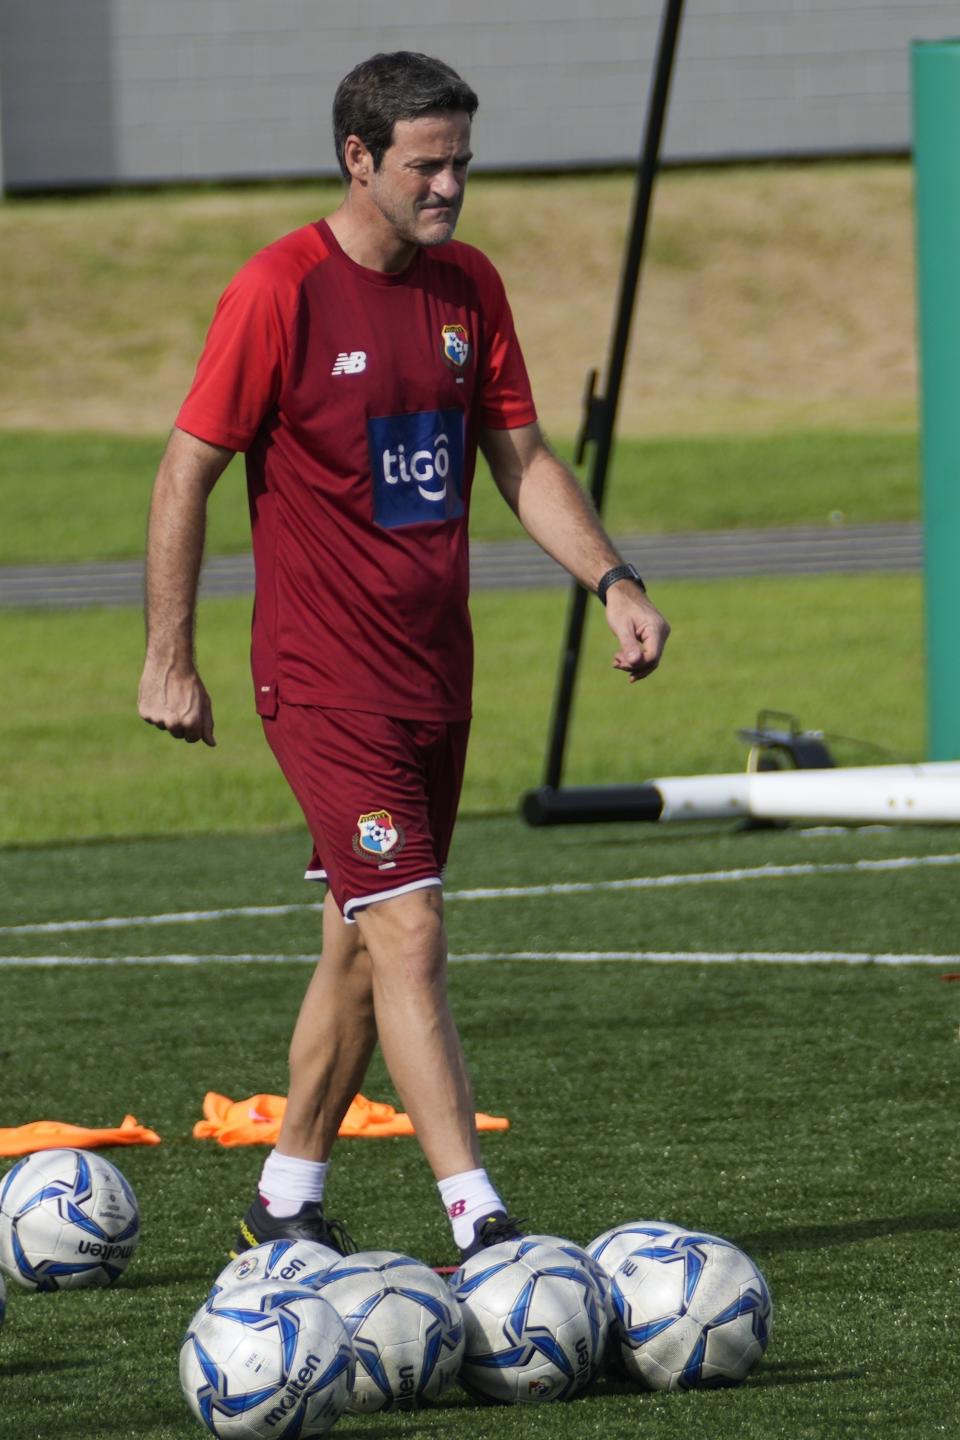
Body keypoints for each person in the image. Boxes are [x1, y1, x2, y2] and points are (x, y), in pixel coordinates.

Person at [137, 50, 670, 1263]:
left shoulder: (468, 287)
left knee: (361, 943)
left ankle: (285, 1199)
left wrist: (613, 580)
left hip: (437, 678)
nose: (450, 188)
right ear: (359, 158)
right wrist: (171, 655)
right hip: (325, 684)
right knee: (411, 933)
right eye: (427, 165)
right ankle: (483, 1228)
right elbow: (186, 470)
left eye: (462, 163)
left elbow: (521, 462)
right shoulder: (279, 290)